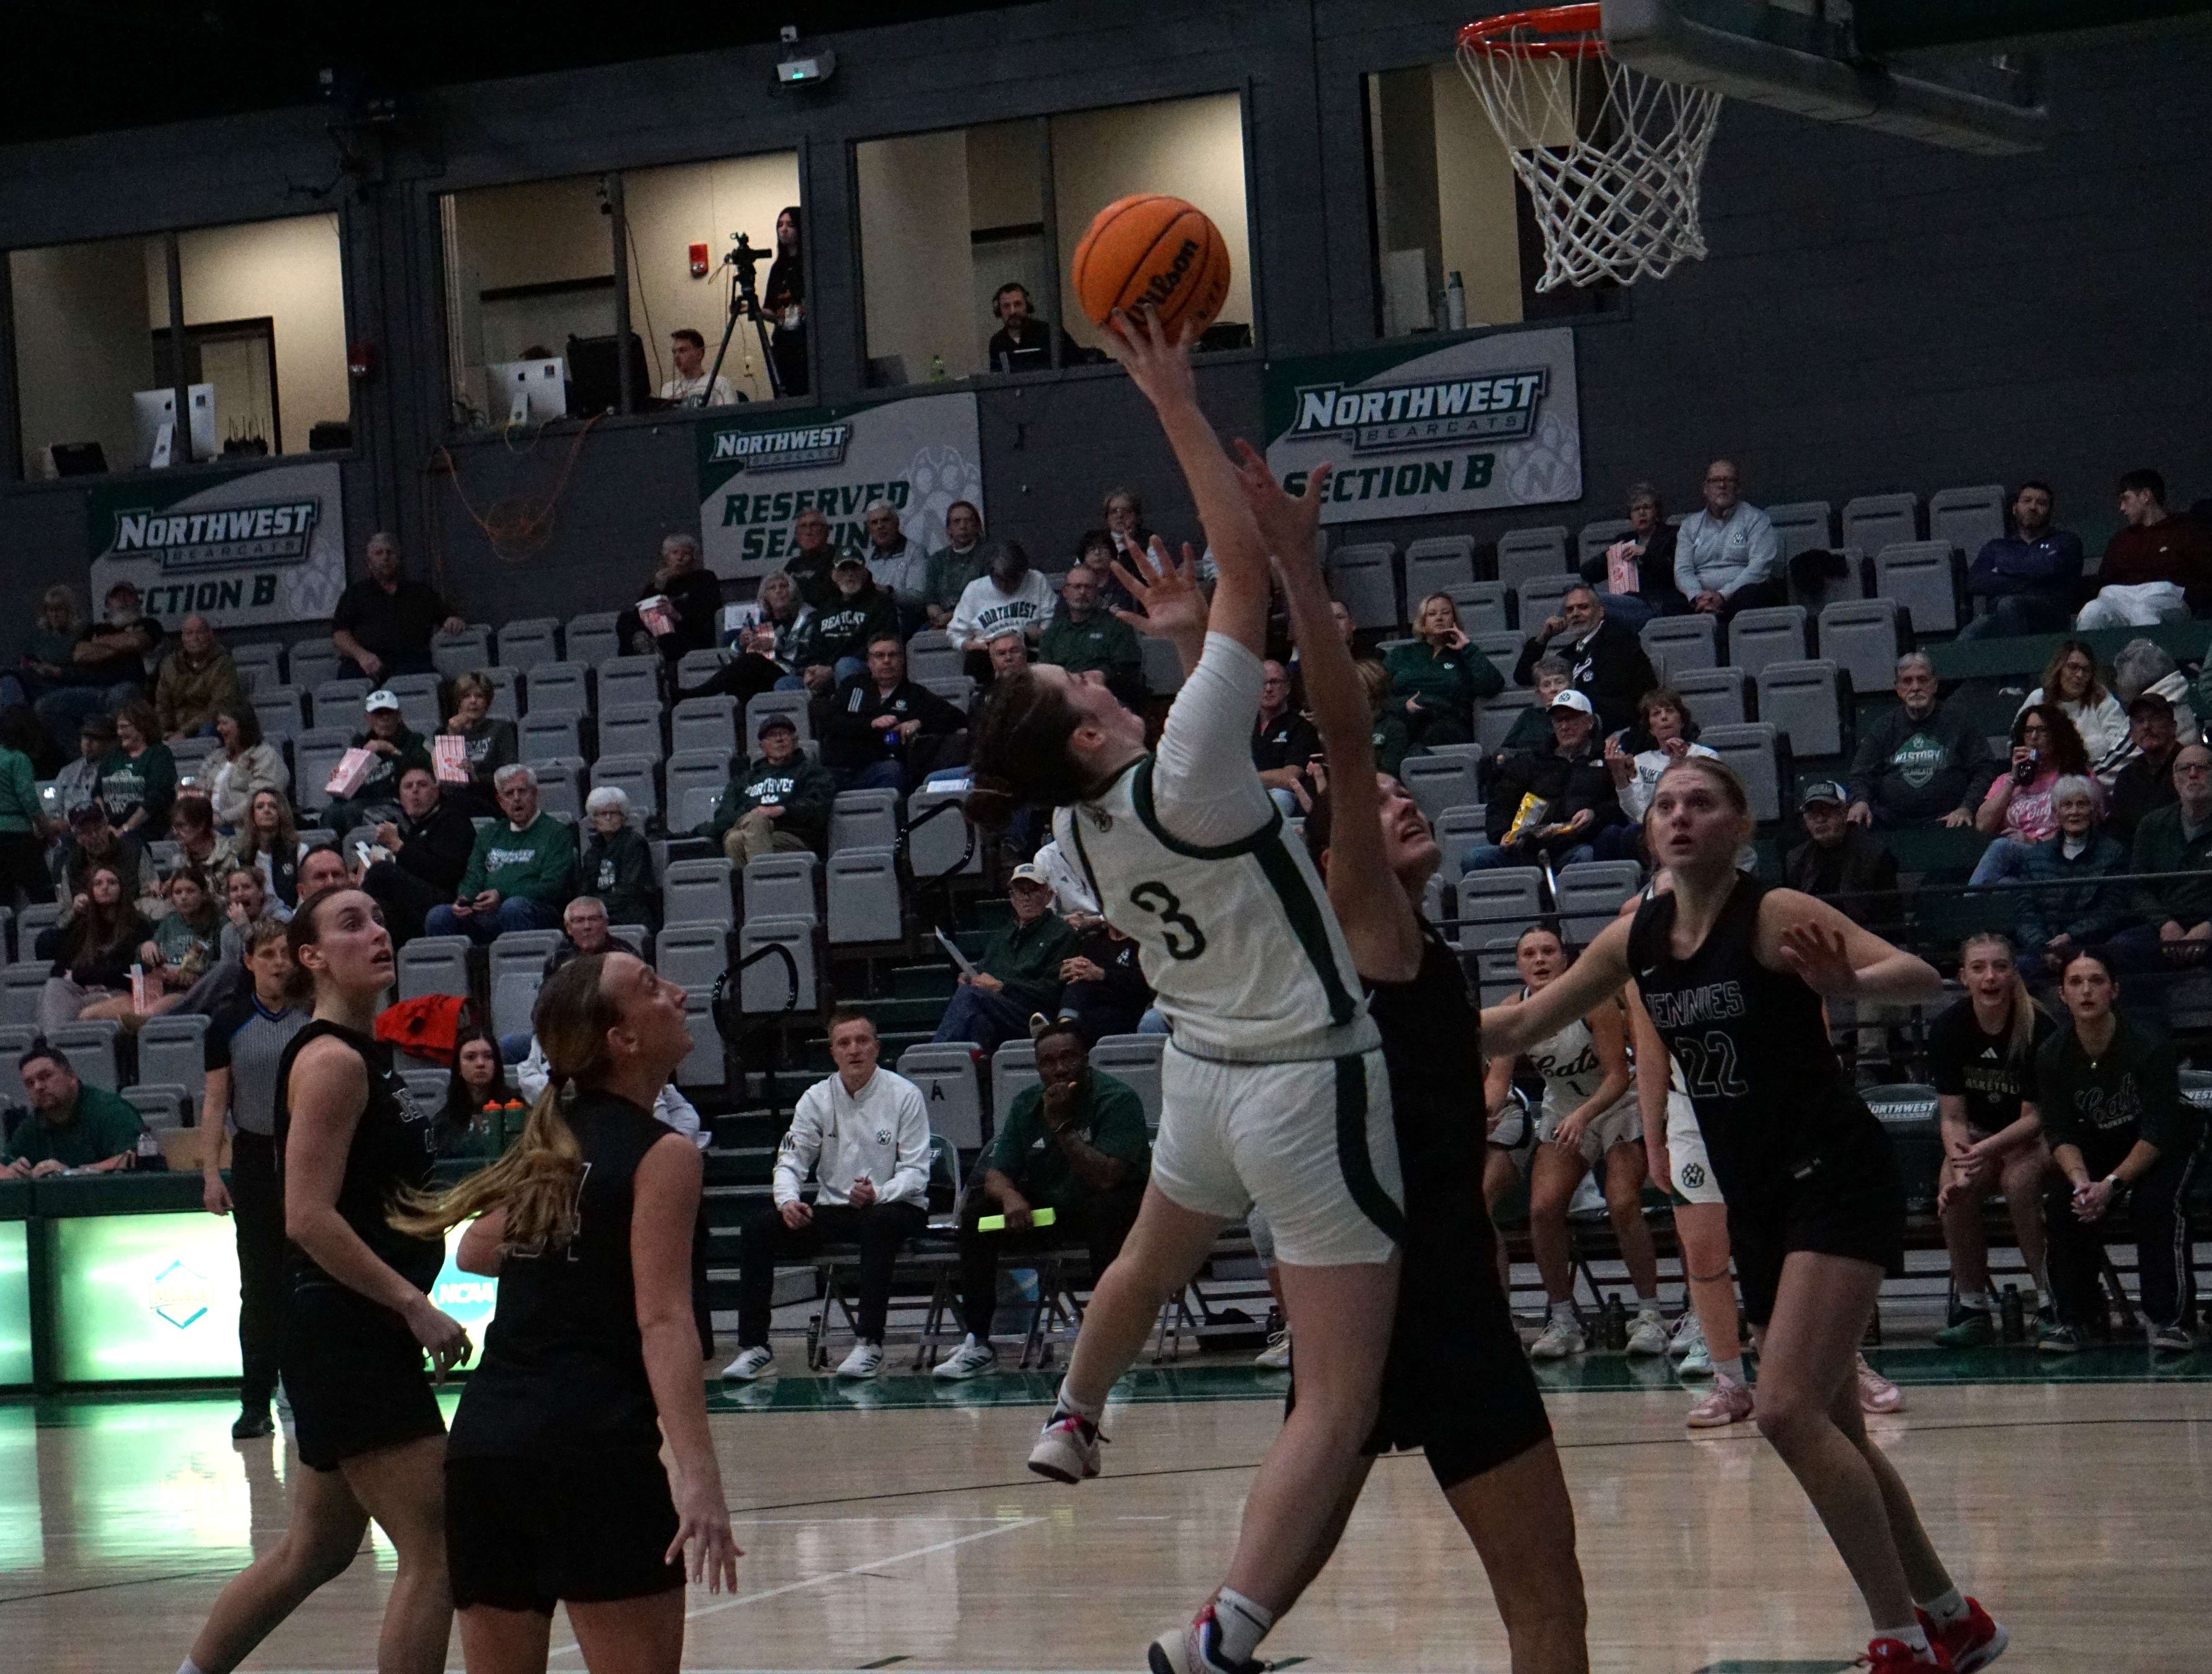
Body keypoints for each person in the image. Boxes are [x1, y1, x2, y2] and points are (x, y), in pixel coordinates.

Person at [971, 316, 1405, 1674]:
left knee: (1147, 1261)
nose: (1088, 668)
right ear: (1089, 733)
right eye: (1075, 681)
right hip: (1302, 1075)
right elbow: (1241, 578)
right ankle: (1222, 1636)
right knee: (1336, 1396)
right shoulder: (1192, 768)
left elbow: (1183, 734)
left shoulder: (1076, 835)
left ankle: (1074, 1412)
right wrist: (1169, 397)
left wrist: (1167, 657)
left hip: (1202, 1078)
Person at [1483, 755, 2001, 1674]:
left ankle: (1901, 1640)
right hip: (1757, 1192)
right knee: (1827, 1425)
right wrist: (1382, 1017)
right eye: (1666, 804)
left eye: (1702, 802)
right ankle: (1950, 1617)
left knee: (1784, 1410)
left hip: (1830, 1173)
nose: (1679, 814)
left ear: (1739, 825)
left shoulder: (1766, 915)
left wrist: (1850, 986)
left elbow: (1918, 972)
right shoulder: (1634, 935)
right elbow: (1518, 1028)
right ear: (1648, 831)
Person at [1244, 443, 1590, 1674]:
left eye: (1404, 789)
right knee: (1547, 1613)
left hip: (1361, 1302)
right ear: (1339, 853)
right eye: (1375, 799)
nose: (1398, 798)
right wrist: (1294, 563)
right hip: (1434, 1296)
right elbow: (1341, 733)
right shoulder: (1369, 922)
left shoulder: (1392, 956)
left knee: (1237, 1625)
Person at [389, 951, 740, 1672]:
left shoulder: (551, 1140)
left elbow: (478, 1249)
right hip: (592, 1450)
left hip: (487, 1451)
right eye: (650, 988)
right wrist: (697, 1475)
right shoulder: (664, 1154)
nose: (676, 992)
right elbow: (665, 1322)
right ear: (624, 1040)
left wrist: (566, 1236)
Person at [177, 886, 471, 1674]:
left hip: (339, 1332)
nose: (378, 933)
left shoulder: (359, 1053)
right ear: (310, 958)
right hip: (351, 1333)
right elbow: (306, 1217)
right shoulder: (334, 1061)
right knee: (437, 1544)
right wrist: (414, 1306)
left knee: (316, 1549)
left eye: (380, 917)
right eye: (351, 924)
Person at [1483, 923, 1668, 1361]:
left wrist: (1584, 1116)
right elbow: (1497, 1082)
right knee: (1543, 1208)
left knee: (1622, 1200)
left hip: (1615, 1104)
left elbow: (1618, 1076)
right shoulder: (1514, 1009)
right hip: (1563, 1110)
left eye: (1548, 951)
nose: (1540, 959)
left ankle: (1651, 1314)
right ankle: (1564, 1319)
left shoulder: (1593, 1001)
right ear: (1518, 965)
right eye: (1529, 953)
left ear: (1565, 960)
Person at [933, 1019, 1150, 1379]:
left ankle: (1106, 1345)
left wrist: (1062, 1127)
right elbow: (996, 1173)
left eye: (1069, 1058)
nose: (1060, 1069)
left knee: (1107, 1210)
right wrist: (1011, 1196)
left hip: (1111, 1213)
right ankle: (980, 1342)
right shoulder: (1026, 1103)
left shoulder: (1118, 1100)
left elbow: (1106, 1177)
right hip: (1051, 1213)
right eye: (1049, 1062)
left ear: (1086, 1059)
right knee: (976, 1216)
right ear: (1039, 1068)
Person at [722, 1009, 931, 1382]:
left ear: (877, 1048)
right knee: (758, 1227)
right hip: (835, 1207)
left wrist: (879, 1192)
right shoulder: (816, 1098)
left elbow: (917, 1173)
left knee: (879, 1222)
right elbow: (791, 1160)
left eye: (862, 1041)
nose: (854, 1050)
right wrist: (788, 1203)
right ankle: (755, 1347)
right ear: (833, 1053)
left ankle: (870, 1343)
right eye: (844, 1043)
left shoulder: (905, 1095)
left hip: (897, 1206)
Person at [2031, 947, 2201, 1355]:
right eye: (2075, 982)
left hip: (2165, 1143)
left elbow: (2159, 1131)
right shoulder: (2052, 1054)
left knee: (2157, 1204)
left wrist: (2111, 1184)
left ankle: (2172, 1321)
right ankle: (2076, 1319)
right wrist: (2081, 1183)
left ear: (2114, 990)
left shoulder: (2147, 1044)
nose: (2086, 990)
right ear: (2062, 994)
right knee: (2063, 1204)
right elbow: (2058, 1130)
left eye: (2096, 981)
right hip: (2096, 1143)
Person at [201, 918, 311, 1439]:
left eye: (284, 953)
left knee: (310, 1281)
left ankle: (311, 1392)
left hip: (309, 1154)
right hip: (254, 1156)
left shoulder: (312, 1016)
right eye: (266, 954)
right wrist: (210, 1173)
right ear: (248, 961)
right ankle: (255, 1402)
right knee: (261, 1287)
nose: (277, 962)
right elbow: (216, 1102)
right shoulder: (228, 1021)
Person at [1925, 934, 2057, 1350]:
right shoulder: (1948, 1028)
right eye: (1979, 967)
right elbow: (1952, 1117)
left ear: (2014, 973)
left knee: (2019, 1183)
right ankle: (1973, 1308)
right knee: (1953, 1185)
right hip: (1979, 1137)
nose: (1990, 976)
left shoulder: (2039, 1026)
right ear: (1963, 977)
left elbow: (2035, 1118)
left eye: (2000, 966)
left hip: (2032, 1138)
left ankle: (2052, 1300)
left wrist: (1985, 1151)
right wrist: (1962, 1163)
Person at [1465, 691, 1622, 871]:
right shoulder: (1531, 761)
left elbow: (1620, 805)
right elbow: (1501, 803)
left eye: (1571, 719)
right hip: (1527, 847)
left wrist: (1595, 814)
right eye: (1559, 721)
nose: (1564, 727)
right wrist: (1502, 833)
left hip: (1576, 846)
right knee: (1474, 859)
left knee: (1586, 857)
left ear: (1589, 722)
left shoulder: (1608, 760)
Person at [931, 862, 1077, 1052]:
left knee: (971, 997)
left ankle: (933, 1057)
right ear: (1012, 898)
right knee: (979, 1021)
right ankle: (967, 1075)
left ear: (1048, 895)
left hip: (1036, 1017)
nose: (1027, 898)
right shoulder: (1003, 935)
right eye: (1020, 892)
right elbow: (984, 971)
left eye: (1033, 891)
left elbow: (1053, 991)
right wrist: (970, 978)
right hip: (999, 1011)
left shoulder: (1062, 933)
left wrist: (1003, 987)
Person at [1845, 653, 1996, 829]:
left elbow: (1985, 769)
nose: (1916, 687)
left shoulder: (1960, 723)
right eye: (1907, 681)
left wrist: (1967, 808)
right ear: (1898, 689)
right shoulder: (1884, 727)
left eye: (1923, 680)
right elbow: (1860, 775)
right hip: (1891, 823)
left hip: (1948, 821)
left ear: (1935, 685)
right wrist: (1861, 801)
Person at [2107, 741, 2212, 992]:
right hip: (2165, 928)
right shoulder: (2152, 825)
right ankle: (2147, 1027)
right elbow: (2137, 888)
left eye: (2202, 767)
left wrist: (2209, 927)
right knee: (2119, 949)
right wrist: (2165, 924)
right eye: (2185, 769)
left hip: (2209, 924)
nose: (2193, 774)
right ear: (2175, 780)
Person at [429, 765, 577, 942]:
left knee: (513, 908)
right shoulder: (489, 834)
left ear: (535, 794)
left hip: (536, 911)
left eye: (522, 791)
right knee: (439, 916)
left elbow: (553, 887)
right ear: (500, 801)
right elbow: (473, 876)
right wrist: (465, 899)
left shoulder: (557, 833)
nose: (516, 799)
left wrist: (502, 895)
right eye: (509, 794)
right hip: (488, 913)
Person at [818, 632, 967, 793]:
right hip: (838, 769)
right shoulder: (852, 686)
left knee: (893, 771)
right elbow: (828, 721)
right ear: (869, 662)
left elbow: (957, 718)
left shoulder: (915, 694)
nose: (887, 661)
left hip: (881, 770)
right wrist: (871, 724)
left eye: (893, 655)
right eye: (879, 656)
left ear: (903, 661)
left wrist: (919, 723)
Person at [1968, 703, 2096, 886]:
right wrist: (2013, 781)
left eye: (2042, 730)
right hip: (2017, 866)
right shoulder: (2007, 780)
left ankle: (1965, 905)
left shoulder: (2076, 777)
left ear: (2058, 735)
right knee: (2003, 885)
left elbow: (2089, 825)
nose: (2034, 737)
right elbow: (1982, 826)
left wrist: (2034, 841)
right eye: (2029, 731)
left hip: (2057, 858)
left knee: (2002, 847)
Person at [2013, 778, 2128, 980]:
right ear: (2057, 814)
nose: (2074, 812)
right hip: (2044, 949)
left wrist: (2071, 938)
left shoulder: (2114, 853)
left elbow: (2110, 910)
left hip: (2092, 945)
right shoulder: (2035, 856)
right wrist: (2044, 947)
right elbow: (2026, 912)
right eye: (2067, 805)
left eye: (2082, 804)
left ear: (2093, 811)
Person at [34, 579, 163, 752]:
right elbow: (80, 655)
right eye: (118, 598)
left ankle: (118, 757)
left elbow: (137, 641)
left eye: (128, 596)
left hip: (129, 688)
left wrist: (101, 645)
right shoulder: (95, 630)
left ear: (137, 601)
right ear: (108, 604)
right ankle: (82, 758)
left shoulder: (149, 625)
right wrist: (123, 647)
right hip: (92, 690)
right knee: (45, 706)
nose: (124, 601)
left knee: (120, 695)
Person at [1513, 583, 1657, 734]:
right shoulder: (1571, 652)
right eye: (1570, 610)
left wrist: (1565, 699)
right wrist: (1543, 638)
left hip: (1614, 732)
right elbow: (1523, 676)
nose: (1575, 614)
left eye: (1583, 608)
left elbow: (1615, 698)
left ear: (1600, 612)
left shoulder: (1621, 642)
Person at [696, 712, 835, 866]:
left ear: (795, 741)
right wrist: (754, 813)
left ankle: (762, 883)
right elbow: (723, 817)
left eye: (785, 734)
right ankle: (755, 886)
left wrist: (780, 811)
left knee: (748, 829)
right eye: (772, 736)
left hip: (792, 837)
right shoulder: (745, 780)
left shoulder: (812, 772)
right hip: (751, 832)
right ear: (763, 746)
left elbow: (818, 807)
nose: (779, 739)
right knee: (735, 840)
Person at [2077, 468, 2212, 627]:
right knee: (2093, 611)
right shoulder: (2120, 540)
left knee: (2145, 612)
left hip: (2166, 597)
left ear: (2146, 496)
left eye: (2125, 499)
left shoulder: (2186, 531)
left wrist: (2190, 598)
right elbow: (2104, 581)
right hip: (2119, 598)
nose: (2122, 508)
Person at [329, 531, 465, 682]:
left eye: (390, 552)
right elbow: (339, 634)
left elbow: (448, 616)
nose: (385, 557)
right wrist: (361, 655)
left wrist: (452, 620)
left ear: (399, 558)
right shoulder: (354, 595)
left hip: (412, 664)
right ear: (369, 562)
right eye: (379, 553)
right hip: (368, 667)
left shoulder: (420, 592)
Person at [2, 1041, 149, 1177]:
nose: (38, 1087)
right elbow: (5, 1162)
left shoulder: (109, 1110)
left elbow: (135, 1158)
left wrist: (71, 1173)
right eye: (30, 1083)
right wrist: (10, 1174)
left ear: (72, 1077)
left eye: (46, 1077)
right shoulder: (34, 1123)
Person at [1960, 482, 2085, 640]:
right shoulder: (1997, 547)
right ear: (2015, 508)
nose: (2033, 507)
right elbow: (1975, 582)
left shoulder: (2066, 542)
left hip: (2050, 617)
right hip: (1997, 615)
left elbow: (2049, 568)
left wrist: (2002, 569)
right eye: (2027, 501)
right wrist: (2031, 580)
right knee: (1967, 637)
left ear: (2050, 512)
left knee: (2009, 605)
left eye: (2041, 503)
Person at [37, 863, 149, 1029]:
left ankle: (63, 1044)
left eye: (112, 883)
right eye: (98, 884)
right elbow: (59, 968)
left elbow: (129, 973)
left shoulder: (139, 925)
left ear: (122, 889)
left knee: (77, 1009)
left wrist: (80, 975)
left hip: (119, 995)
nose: (105, 887)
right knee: (54, 987)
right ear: (91, 892)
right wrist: (85, 976)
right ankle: (55, 1045)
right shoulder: (84, 926)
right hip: (83, 993)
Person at [1386, 591, 1503, 748]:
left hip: (1448, 725)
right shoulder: (1402, 654)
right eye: (1432, 614)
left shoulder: (1465, 655)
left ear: (1454, 620)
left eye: (1446, 613)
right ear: (1422, 621)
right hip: (1404, 720)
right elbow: (1375, 692)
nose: (1439, 618)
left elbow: (1492, 686)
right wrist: (1403, 706)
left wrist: (1468, 648)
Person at [1673, 459, 1784, 618]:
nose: (1722, 486)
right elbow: (1683, 571)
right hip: (1701, 597)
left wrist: (1722, 596)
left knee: (1752, 597)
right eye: (1716, 480)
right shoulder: (1689, 526)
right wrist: (1697, 596)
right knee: (1672, 605)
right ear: (1706, 489)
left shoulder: (1757, 520)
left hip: (1740, 594)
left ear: (1738, 488)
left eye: (1729, 480)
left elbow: (1759, 568)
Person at [1605, 685, 1721, 827]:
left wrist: (1679, 765)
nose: (1664, 717)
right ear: (1651, 729)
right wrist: (1619, 775)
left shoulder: (1706, 756)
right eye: (1656, 714)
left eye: (1670, 711)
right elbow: (1638, 814)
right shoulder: (1641, 762)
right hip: (1653, 829)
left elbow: (1709, 803)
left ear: (1682, 722)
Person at [2014, 639, 2129, 780]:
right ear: (2059, 669)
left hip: (2094, 780)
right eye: (2073, 667)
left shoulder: (2102, 699)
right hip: (2041, 780)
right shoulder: (2038, 698)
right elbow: (2018, 740)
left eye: (2086, 670)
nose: (2080, 675)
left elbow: (2119, 746)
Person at [323, 689, 430, 836]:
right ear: (369, 718)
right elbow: (344, 794)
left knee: (353, 811)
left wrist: (392, 750)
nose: (384, 719)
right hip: (364, 801)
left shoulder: (415, 741)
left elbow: (423, 773)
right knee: (332, 812)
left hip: (398, 804)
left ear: (399, 716)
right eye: (379, 714)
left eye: (389, 713)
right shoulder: (360, 744)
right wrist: (340, 778)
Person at [787, 553, 898, 693]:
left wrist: (832, 670)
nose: (850, 574)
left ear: (865, 573)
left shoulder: (880, 603)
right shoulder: (825, 608)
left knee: (845, 665)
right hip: (826, 673)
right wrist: (811, 670)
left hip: (863, 669)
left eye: (855, 569)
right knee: (786, 683)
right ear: (834, 575)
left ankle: (847, 714)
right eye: (844, 570)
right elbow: (814, 647)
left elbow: (880, 645)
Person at [1579, 481, 1684, 629]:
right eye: (1636, 510)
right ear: (1631, 517)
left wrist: (1646, 554)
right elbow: (1588, 573)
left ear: (1657, 514)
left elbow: (1677, 572)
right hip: (1626, 602)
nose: (1642, 513)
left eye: (1647, 508)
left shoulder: (1673, 535)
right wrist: (1611, 556)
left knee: (1588, 602)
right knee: (1577, 598)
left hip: (1656, 606)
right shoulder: (1625, 540)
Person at [1784, 781, 1901, 912]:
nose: (1819, 819)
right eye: (1812, 813)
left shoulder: (1875, 856)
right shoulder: (1796, 859)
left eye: (1826, 811)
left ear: (1845, 812)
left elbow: (1889, 917)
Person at [1040, 564, 1145, 708]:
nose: (1082, 592)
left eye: (1088, 587)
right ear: (1065, 592)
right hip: (1064, 705)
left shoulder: (1116, 627)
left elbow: (1128, 671)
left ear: (1097, 592)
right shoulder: (1053, 633)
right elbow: (1046, 674)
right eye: (1077, 587)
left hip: (1107, 701)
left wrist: (1100, 676)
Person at [620, 532, 723, 673]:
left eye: (685, 554)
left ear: (693, 558)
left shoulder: (705, 579)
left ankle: (656, 655)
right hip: (658, 633)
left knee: (671, 631)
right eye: (675, 553)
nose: (680, 559)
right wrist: (657, 589)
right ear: (666, 558)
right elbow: (639, 615)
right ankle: (645, 650)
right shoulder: (657, 585)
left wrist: (677, 615)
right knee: (626, 619)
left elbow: (709, 611)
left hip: (690, 633)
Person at [949, 539, 1056, 661]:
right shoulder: (975, 589)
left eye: (1013, 580)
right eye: (1000, 581)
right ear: (990, 575)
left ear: (1025, 573)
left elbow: (1054, 624)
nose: (1006, 586)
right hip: (987, 656)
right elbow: (955, 634)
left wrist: (1036, 635)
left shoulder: (1037, 580)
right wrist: (972, 646)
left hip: (1029, 651)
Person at [2102, 690, 2182, 846]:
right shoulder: (2127, 777)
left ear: (2173, 727)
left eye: (2155, 718)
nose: (2147, 726)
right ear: (2131, 734)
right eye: (2139, 721)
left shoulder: (2192, 768)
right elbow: (2119, 832)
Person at [1055, 917, 1152, 1043]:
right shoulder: (1092, 938)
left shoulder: (1143, 942)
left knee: (1095, 1018)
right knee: (1076, 985)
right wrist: (1067, 971)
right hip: (1089, 1000)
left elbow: (1146, 983)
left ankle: (1063, 1031)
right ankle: (1065, 1025)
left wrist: (1103, 974)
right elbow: (1075, 968)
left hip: (1124, 1006)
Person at [435, 672, 517, 818]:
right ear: (458, 702)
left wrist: (475, 776)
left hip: (491, 802)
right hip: (455, 804)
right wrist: (452, 735)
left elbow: (509, 776)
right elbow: (446, 783)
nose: (473, 701)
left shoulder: (501, 729)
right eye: (466, 697)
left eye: (479, 696)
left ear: (487, 702)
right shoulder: (443, 733)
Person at [580, 786, 658, 930]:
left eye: (614, 813)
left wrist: (597, 908)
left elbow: (631, 889)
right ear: (593, 820)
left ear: (623, 818)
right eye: (602, 814)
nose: (608, 818)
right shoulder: (592, 852)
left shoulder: (635, 844)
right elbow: (587, 890)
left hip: (631, 914)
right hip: (602, 915)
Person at [97, 699, 177, 836]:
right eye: (118, 728)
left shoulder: (159, 754)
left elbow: (156, 799)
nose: (119, 733)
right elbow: (97, 793)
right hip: (110, 830)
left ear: (142, 726)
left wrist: (126, 829)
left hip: (146, 830)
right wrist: (107, 827)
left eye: (124, 727)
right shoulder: (113, 756)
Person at [1251, 658, 1320, 816]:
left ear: (1288, 688)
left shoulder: (1301, 727)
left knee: (1280, 797)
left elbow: (1290, 778)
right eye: (1262, 683)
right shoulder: (1244, 726)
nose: (1268, 689)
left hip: (1285, 799)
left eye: (1274, 682)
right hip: (1245, 797)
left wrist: (1245, 779)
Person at [155, 614, 240, 740]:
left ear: (210, 635)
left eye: (200, 632)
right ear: (183, 638)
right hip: (176, 731)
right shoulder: (171, 665)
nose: (195, 638)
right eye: (189, 634)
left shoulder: (224, 664)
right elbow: (163, 706)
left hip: (207, 727)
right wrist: (164, 733)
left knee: (209, 730)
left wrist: (184, 733)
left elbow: (220, 707)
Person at [0, 717, 55, 913]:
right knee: (44, 896)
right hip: (17, 839)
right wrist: (50, 834)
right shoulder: (18, 759)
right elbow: (30, 802)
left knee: (3, 900)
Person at [207, 702, 288, 832]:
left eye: (224, 723)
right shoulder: (217, 756)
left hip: (243, 829)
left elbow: (258, 802)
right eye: (218, 724)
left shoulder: (266, 757)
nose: (219, 729)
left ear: (242, 726)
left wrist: (221, 819)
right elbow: (200, 787)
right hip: (210, 827)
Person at [4, 582, 81, 712]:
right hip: (36, 682)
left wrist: (56, 671)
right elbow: (25, 660)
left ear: (69, 611)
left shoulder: (79, 636)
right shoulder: (40, 638)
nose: (55, 615)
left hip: (62, 685)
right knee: (8, 681)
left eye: (59, 610)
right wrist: (34, 666)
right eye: (51, 610)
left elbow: (81, 673)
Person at [433, 1030, 507, 1162]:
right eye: (470, 1057)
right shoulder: (443, 1123)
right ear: (458, 1068)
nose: (480, 1064)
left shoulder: (518, 1110)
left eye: (488, 1056)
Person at [226, 788, 304, 910]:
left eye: (273, 806)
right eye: (260, 807)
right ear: (253, 816)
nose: (267, 810)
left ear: (281, 813)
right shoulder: (243, 858)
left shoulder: (299, 851)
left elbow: (304, 896)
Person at [861, 501, 931, 632]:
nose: (880, 526)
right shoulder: (866, 557)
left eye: (885, 520)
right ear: (869, 529)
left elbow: (920, 599)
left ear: (897, 523)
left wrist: (890, 592)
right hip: (872, 623)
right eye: (874, 523)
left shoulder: (915, 552)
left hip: (906, 624)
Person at [986, 281, 1084, 373]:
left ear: (1027, 306)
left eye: (1018, 304)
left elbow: (1078, 364)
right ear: (999, 311)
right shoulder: (997, 343)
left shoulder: (1049, 333)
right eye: (1006, 306)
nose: (1013, 311)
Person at [764, 203, 807, 398]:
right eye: (780, 224)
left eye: (790, 224)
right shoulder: (778, 268)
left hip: (806, 344)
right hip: (784, 346)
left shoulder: (810, 263)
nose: (784, 229)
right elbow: (774, 312)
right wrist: (753, 310)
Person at [924, 501, 988, 628]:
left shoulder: (989, 555)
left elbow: (988, 600)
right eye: (957, 522)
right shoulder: (937, 559)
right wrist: (934, 611)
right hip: (942, 622)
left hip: (979, 621)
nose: (963, 526)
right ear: (949, 529)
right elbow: (930, 599)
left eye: (968, 521)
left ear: (977, 526)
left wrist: (953, 616)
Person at [54, 713, 115, 819]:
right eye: (85, 737)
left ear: (109, 743)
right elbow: (56, 811)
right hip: (71, 830)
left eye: (95, 738)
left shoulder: (116, 770)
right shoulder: (68, 772)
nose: (88, 743)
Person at [659, 326, 738, 408]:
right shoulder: (667, 389)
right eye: (674, 352)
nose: (676, 356)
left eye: (682, 351)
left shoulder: (720, 384)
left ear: (699, 355)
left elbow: (730, 419)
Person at [780, 508, 841, 613]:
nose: (808, 532)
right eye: (803, 527)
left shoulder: (841, 559)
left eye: (814, 525)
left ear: (826, 531)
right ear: (796, 536)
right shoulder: (792, 566)